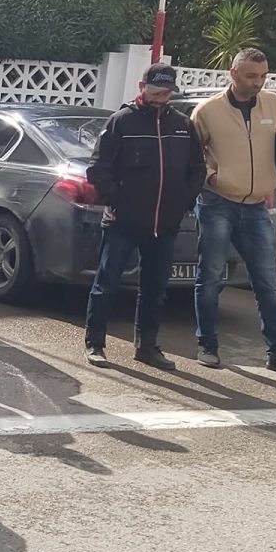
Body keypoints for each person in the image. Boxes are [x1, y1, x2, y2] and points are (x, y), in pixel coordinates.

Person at [191, 48, 276, 380]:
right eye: (250, 76)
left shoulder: (273, 104)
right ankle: (207, 344)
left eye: (262, 76)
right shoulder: (207, 111)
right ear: (233, 74)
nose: (258, 82)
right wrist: (211, 178)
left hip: (257, 205)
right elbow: (193, 154)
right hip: (217, 203)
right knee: (211, 277)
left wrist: (275, 179)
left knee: (267, 283)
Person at [83, 64, 205, 369]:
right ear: (142, 87)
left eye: (166, 93)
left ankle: (147, 347)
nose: (161, 98)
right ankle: (95, 343)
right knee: (106, 284)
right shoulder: (121, 121)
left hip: (165, 223)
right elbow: (98, 168)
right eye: (156, 92)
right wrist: (116, 200)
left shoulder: (183, 125)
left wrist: (184, 200)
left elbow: (197, 169)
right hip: (123, 222)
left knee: (154, 289)